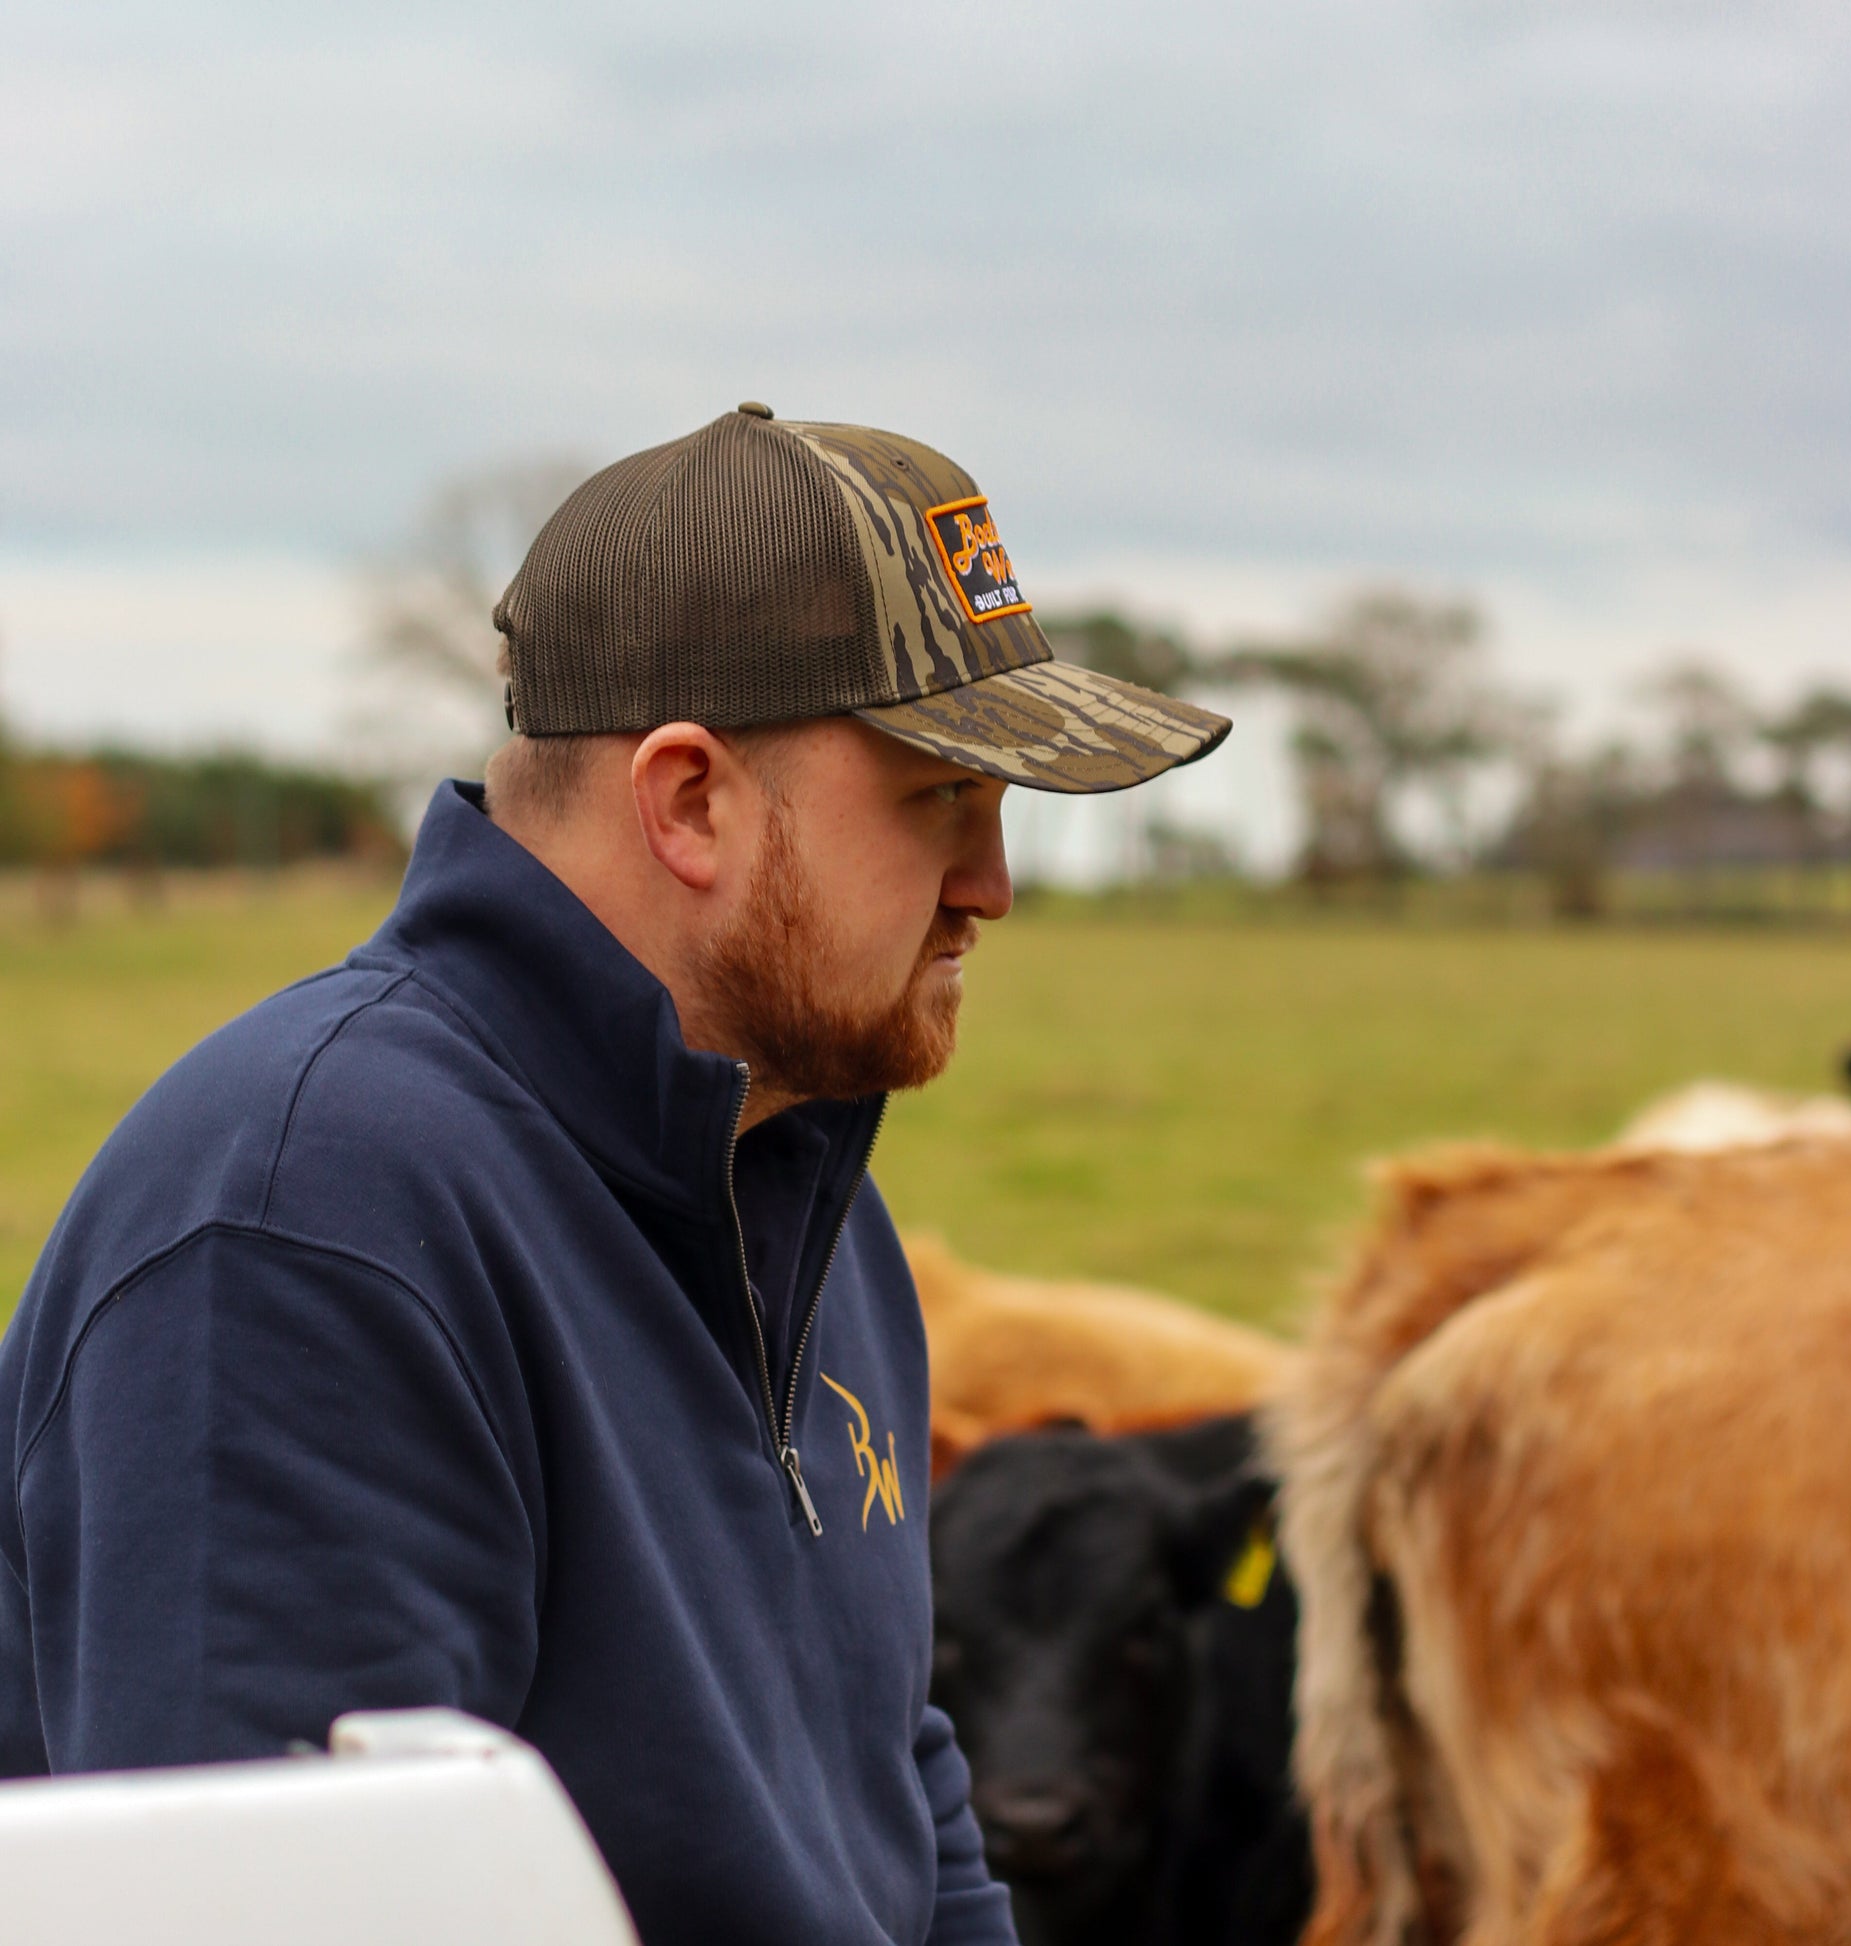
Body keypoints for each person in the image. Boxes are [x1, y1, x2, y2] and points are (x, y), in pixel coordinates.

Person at [0, 403, 1230, 1943]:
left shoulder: (793, 1183)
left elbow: (894, 1787)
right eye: (939, 801)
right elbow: (276, 1906)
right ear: (689, 799)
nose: (990, 886)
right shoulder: (309, 1220)